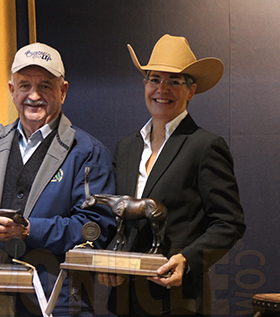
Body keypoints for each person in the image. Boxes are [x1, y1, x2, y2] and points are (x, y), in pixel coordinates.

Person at [0, 42, 116, 317]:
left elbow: (95, 230)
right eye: (24, 86)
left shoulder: (87, 152)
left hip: (56, 304)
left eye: (45, 85)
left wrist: (30, 230)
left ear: (63, 91)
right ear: (11, 90)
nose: (34, 96)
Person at [99, 34, 246, 316]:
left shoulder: (205, 146)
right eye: (155, 79)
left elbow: (229, 222)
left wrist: (187, 259)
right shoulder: (126, 147)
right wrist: (108, 257)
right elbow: (116, 218)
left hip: (178, 300)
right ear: (145, 84)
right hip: (125, 301)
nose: (162, 89)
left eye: (174, 81)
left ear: (191, 91)